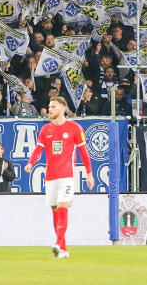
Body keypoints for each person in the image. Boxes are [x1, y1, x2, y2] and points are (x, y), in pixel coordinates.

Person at [24, 96, 94, 259]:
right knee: (55, 211)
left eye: (53, 106)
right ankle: (63, 248)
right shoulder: (46, 130)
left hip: (67, 176)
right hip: (50, 177)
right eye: (49, 106)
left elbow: (84, 153)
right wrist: (30, 163)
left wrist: (89, 174)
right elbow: (38, 150)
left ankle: (58, 242)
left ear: (62, 108)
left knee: (63, 208)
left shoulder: (75, 128)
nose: (50, 109)